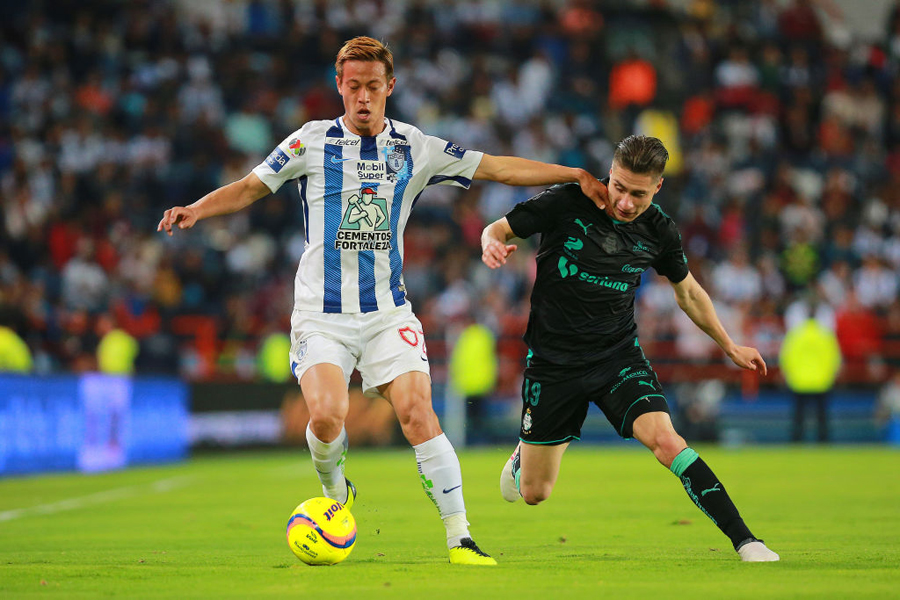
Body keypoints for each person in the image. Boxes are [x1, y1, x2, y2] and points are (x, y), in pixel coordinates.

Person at [157, 36, 606, 566]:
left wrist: (572, 175)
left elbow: (495, 167)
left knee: (418, 413)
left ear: (390, 87)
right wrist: (198, 210)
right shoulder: (309, 142)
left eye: (373, 86)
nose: (363, 97)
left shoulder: (413, 147)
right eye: (353, 87)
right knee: (326, 417)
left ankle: (460, 538)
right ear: (339, 87)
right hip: (321, 314)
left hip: (387, 312)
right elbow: (252, 187)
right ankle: (337, 493)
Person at [481, 135, 780, 562]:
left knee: (666, 441)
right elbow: (498, 228)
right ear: (611, 171)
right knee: (534, 493)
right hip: (554, 364)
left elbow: (689, 293)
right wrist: (489, 242)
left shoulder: (659, 230)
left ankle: (747, 541)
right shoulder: (568, 201)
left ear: (657, 187)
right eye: (619, 187)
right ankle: (524, 455)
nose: (623, 202)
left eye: (637, 193)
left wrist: (729, 344)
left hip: (616, 357)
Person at [779, 315, 842, 443]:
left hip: (799, 381)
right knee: (822, 417)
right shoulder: (826, 335)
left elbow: (785, 356)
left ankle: (797, 443)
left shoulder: (795, 335)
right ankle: (823, 444)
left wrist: (789, 374)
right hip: (822, 381)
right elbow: (835, 358)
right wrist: (831, 375)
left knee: (798, 417)